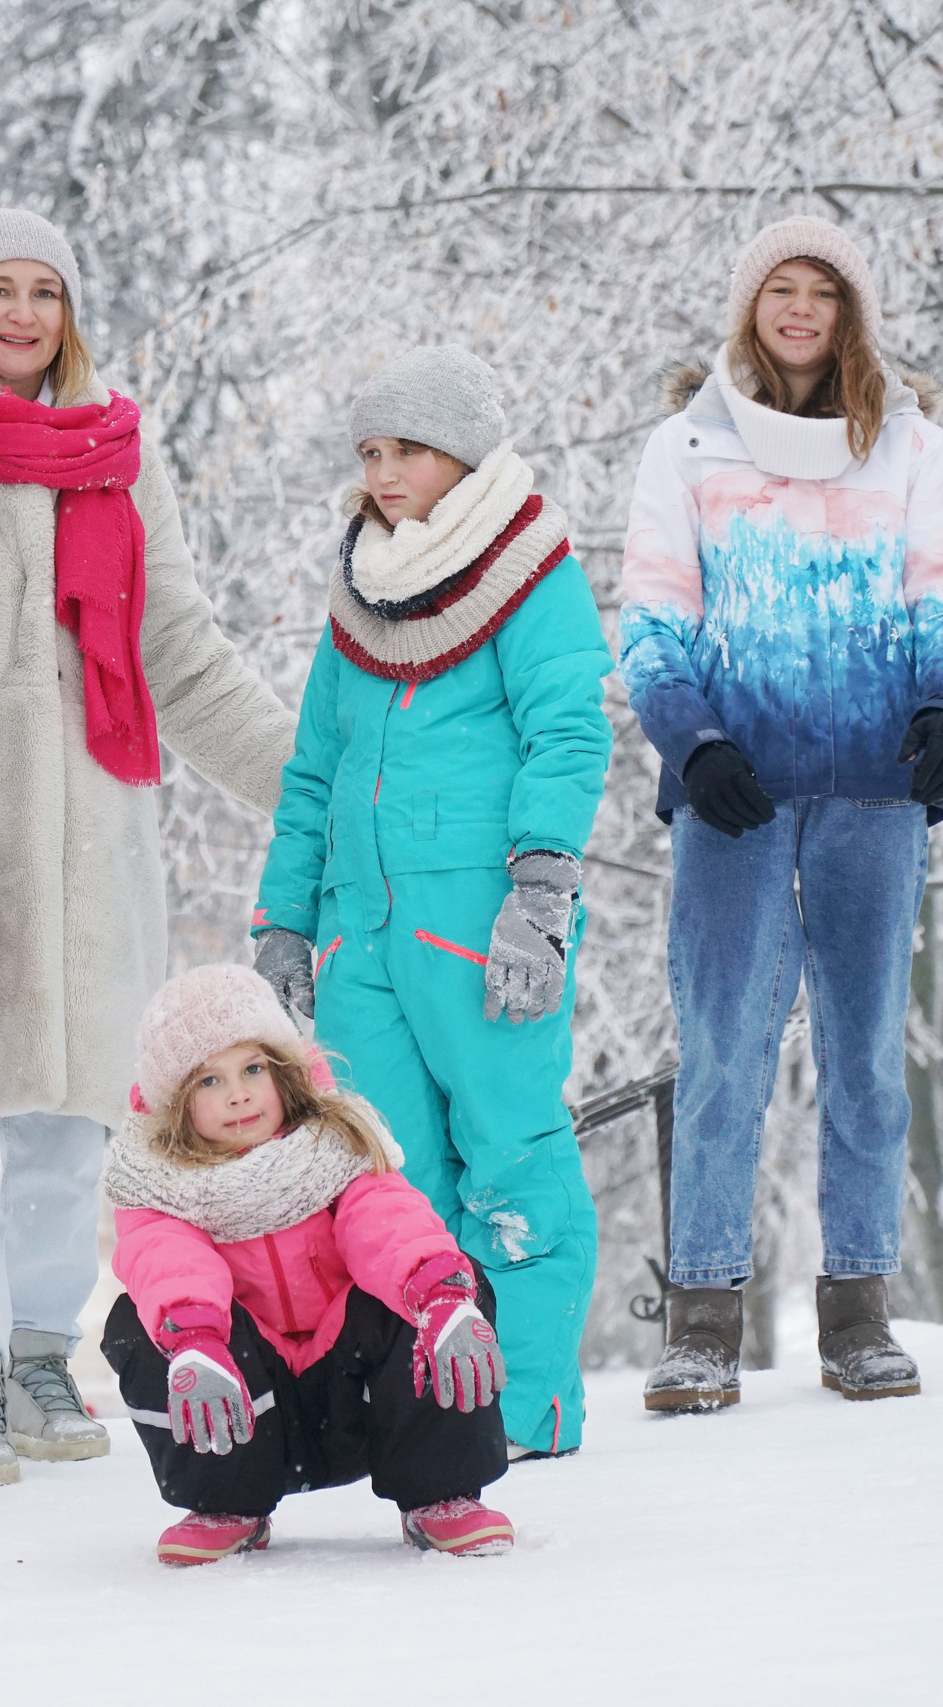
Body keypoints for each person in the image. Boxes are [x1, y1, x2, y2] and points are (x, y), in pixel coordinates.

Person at [0, 209, 297, 1487]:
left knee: (70, 1126)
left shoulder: (115, 443)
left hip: (100, 830)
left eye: (42, 292)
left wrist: (317, 785)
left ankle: (46, 1354)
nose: (20, 314)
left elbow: (182, 650)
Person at [617, 215, 943, 1411]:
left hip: (876, 782)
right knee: (725, 1048)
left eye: (818, 293)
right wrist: (695, 737)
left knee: (866, 1051)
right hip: (734, 790)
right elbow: (652, 617)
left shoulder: (907, 446)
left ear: (847, 315)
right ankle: (704, 1318)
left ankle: (859, 1309)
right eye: (776, 290)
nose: (796, 310)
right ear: (749, 307)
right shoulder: (685, 447)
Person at [249, 347, 613, 1459]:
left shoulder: (531, 573)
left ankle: (530, 1406)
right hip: (361, 932)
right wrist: (284, 924)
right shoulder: (360, 595)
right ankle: (429, 1419)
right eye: (369, 452)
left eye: (405, 448)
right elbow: (314, 769)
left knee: (508, 1155)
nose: (384, 470)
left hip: (480, 921)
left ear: (463, 455)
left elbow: (568, 730)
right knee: (387, 1180)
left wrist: (539, 893)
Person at [99, 964, 516, 1564]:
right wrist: (194, 1339)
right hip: (248, 1402)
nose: (238, 1094)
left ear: (284, 1071)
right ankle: (226, 1502)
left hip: (361, 1394)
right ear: (174, 1103)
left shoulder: (334, 1143)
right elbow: (167, 1259)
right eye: (209, 1082)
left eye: (252, 1070)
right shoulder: (156, 1181)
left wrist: (438, 1294)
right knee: (145, 1325)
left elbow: (383, 1219)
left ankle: (440, 1491)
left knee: (446, 1283)